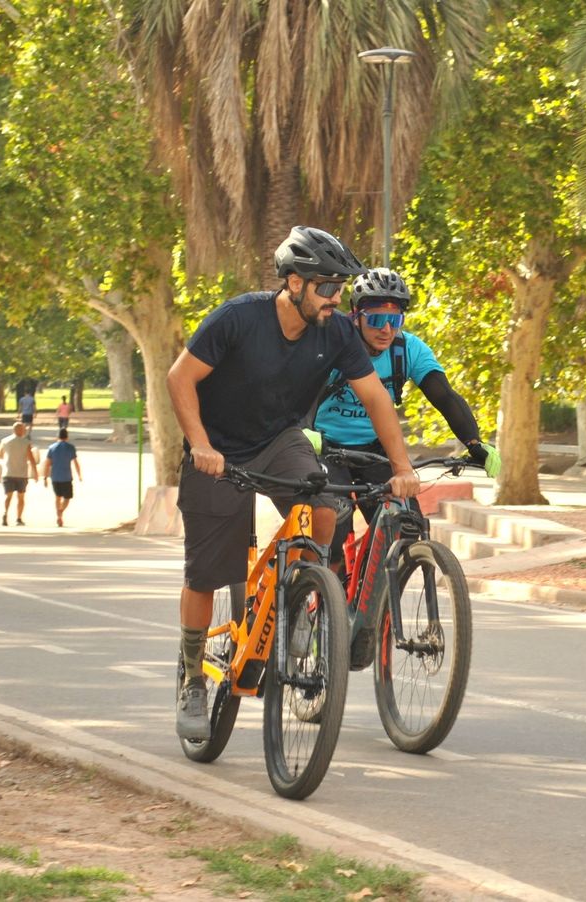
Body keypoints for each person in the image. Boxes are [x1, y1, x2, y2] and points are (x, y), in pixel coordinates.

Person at [166, 225, 421, 741]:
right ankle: (193, 677)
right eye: (327, 287)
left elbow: (376, 399)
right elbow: (179, 378)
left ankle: (303, 602)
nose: (335, 298)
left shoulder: (336, 333)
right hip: (216, 448)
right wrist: (200, 445)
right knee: (207, 572)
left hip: (276, 441)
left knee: (325, 504)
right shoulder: (239, 318)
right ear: (294, 283)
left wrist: (401, 467)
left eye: (339, 288)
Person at [313, 266, 501, 570]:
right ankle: (325, 600)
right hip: (324, 444)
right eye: (376, 318)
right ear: (356, 314)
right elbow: (301, 389)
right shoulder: (332, 341)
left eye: (394, 320)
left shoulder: (408, 349)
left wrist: (474, 443)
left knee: (406, 528)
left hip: (375, 448)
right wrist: (303, 430)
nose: (386, 329)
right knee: (334, 526)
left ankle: (367, 603)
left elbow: (445, 397)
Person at [0, 421, 39, 526]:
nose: (25, 430)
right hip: (21, 474)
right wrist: (35, 472)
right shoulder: (26, 443)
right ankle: (18, 518)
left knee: (8, 496)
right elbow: (31, 459)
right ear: (20, 430)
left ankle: (5, 513)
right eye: (23, 429)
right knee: (21, 497)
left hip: (8, 472)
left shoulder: (5, 441)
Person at [43, 428, 82, 527]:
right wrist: (79, 474)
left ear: (57, 437)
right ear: (67, 437)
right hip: (66, 476)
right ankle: (61, 511)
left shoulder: (52, 447)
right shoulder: (70, 447)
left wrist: (45, 477)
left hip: (55, 477)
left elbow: (47, 464)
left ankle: (59, 515)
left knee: (57, 497)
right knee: (67, 498)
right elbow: (75, 462)